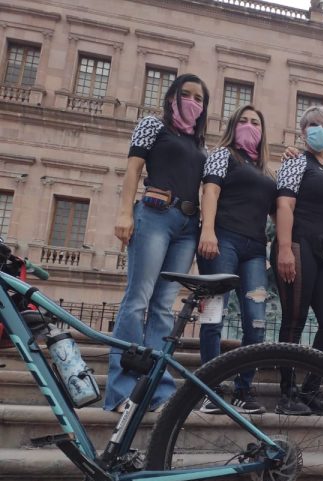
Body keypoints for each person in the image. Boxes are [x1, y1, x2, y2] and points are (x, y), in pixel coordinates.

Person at [105, 73, 209, 412]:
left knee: (164, 307)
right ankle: (122, 389)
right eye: (187, 94)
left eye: (200, 98)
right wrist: (124, 213)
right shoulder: (152, 125)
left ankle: (157, 391)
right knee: (138, 299)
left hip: (188, 226)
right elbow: (133, 169)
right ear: (172, 97)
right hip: (154, 214)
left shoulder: (199, 144)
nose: (193, 102)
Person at [196, 104, 276, 415]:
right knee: (212, 316)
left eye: (255, 121)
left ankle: (244, 390)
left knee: (256, 322)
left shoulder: (266, 170)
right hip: (222, 242)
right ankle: (208, 390)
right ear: (232, 124)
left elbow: (278, 206)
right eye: (242, 120)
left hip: (254, 251)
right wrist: (208, 231)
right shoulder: (222, 155)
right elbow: (210, 191)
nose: (249, 125)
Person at [272, 105, 323, 416]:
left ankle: (309, 390)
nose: (321, 130)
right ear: (304, 132)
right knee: (295, 318)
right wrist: (283, 248)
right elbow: (284, 205)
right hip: (298, 244)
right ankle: (286, 393)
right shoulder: (295, 163)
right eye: (314, 125)